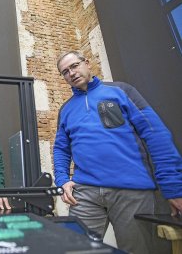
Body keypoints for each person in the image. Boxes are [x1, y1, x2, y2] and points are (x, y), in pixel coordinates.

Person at [53, 50, 182, 254]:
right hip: (85, 193)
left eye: (75, 66)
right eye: (65, 72)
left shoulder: (121, 90)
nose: (71, 73)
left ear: (87, 63)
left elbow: (156, 134)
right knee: (72, 249)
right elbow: (60, 148)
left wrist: (173, 187)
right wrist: (62, 179)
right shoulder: (66, 109)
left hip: (131, 191)